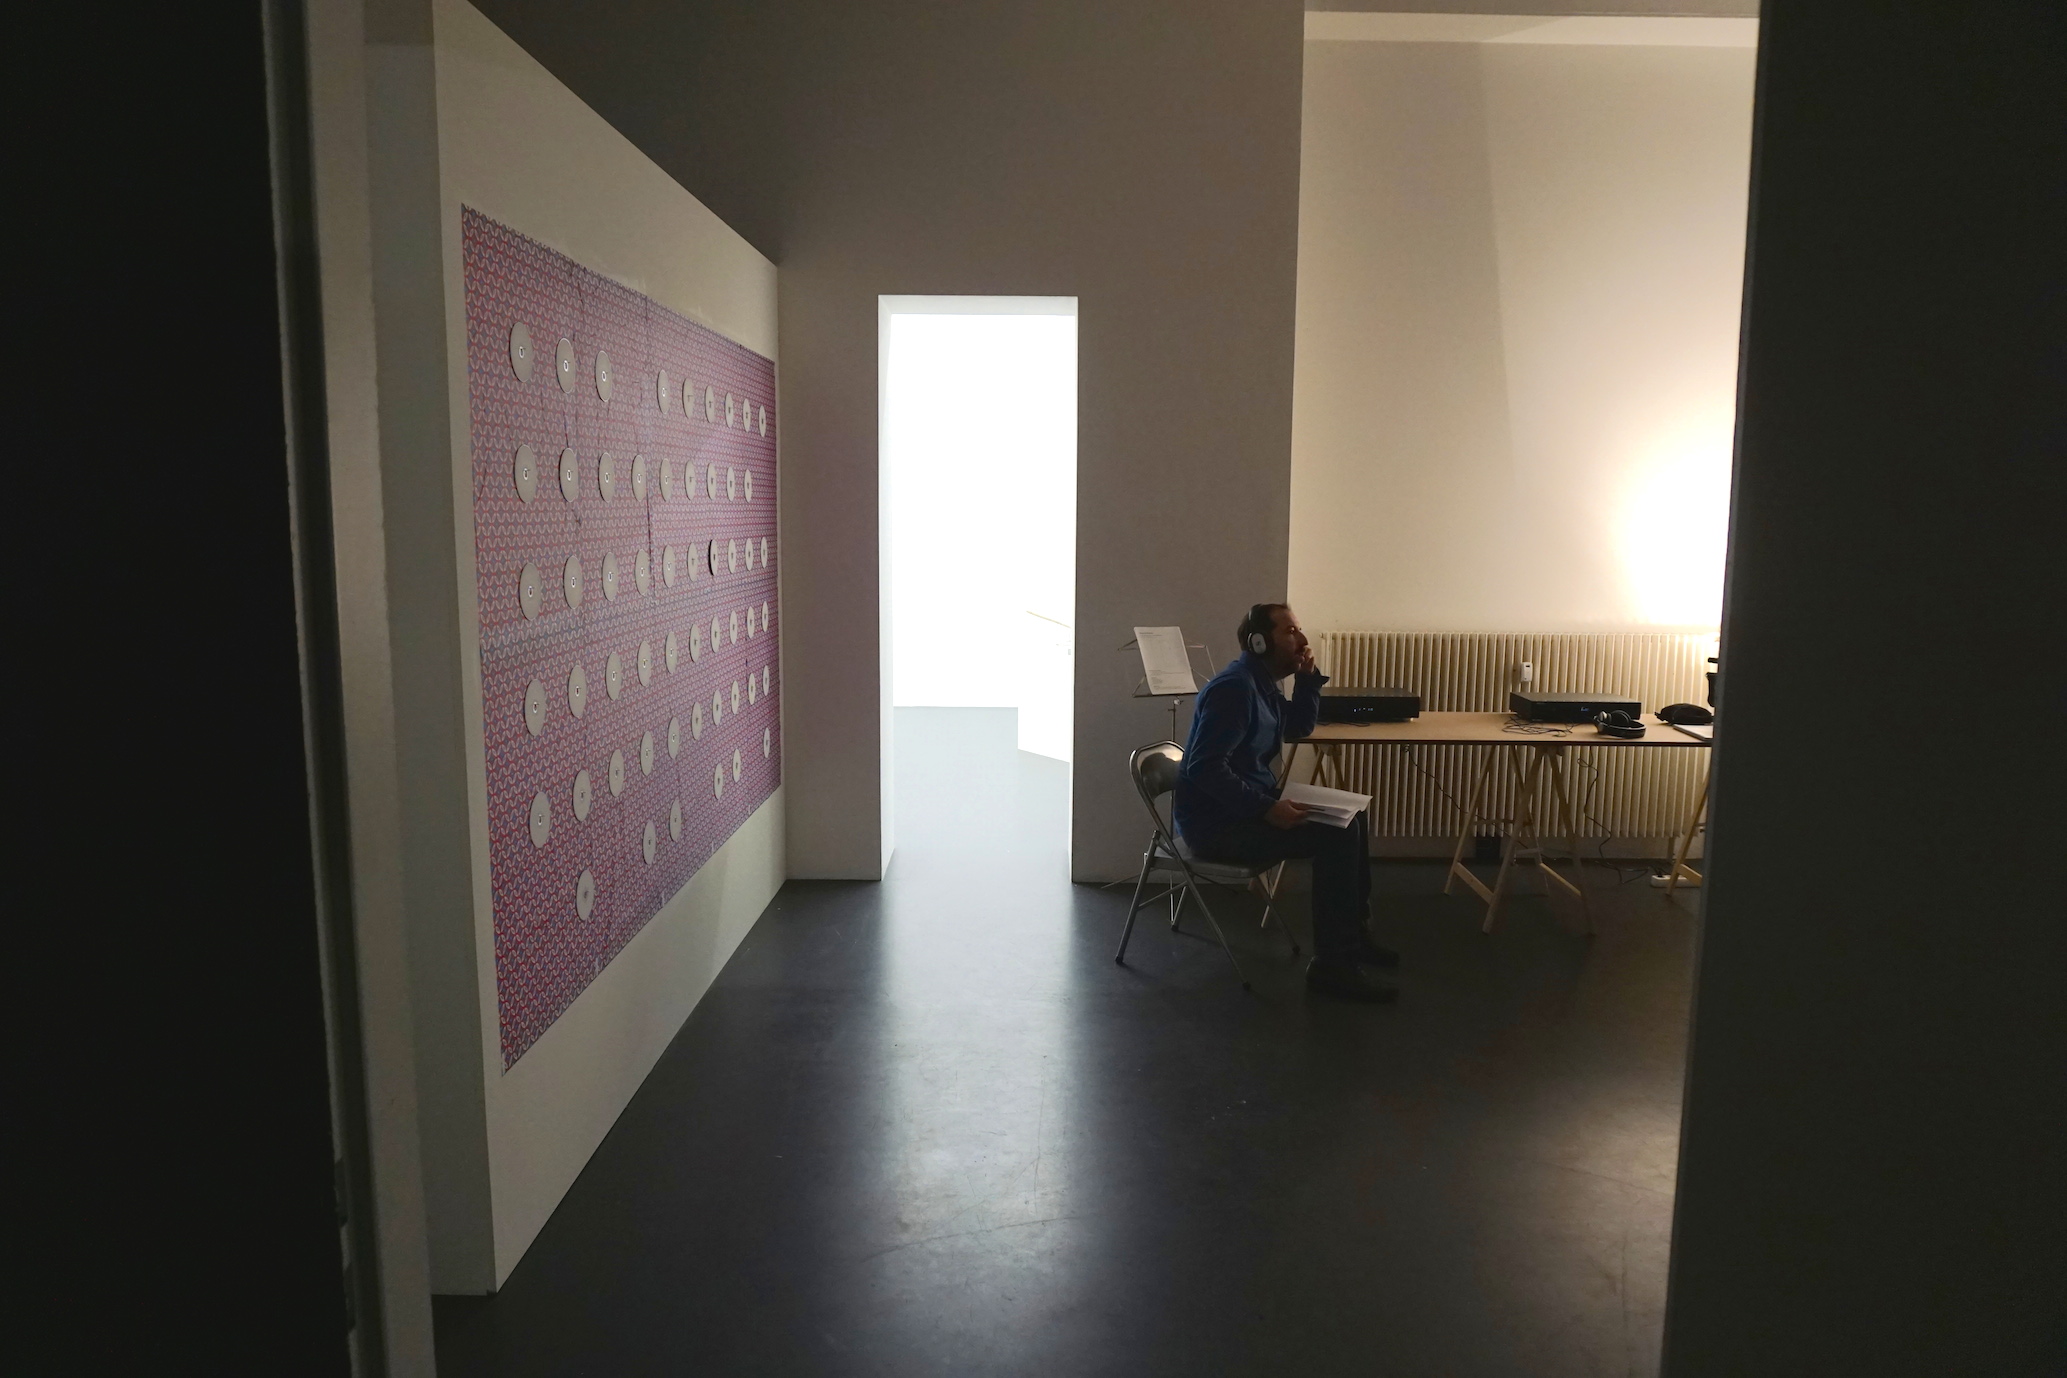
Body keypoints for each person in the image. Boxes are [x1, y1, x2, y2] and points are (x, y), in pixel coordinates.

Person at [1174, 603, 1399, 1003]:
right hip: (1218, 825)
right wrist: (1266, 809)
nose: (1303, 640)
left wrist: (1308, 681)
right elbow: (1204, 768)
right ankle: (1333, 966)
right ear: (1259, 642)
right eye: (1291, 632)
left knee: (1354, 817)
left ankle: (1353, 937)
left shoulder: (1262, 684)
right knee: (1338, 836)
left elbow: (1297, 726)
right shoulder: (1234, 689)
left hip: (1247, 805)